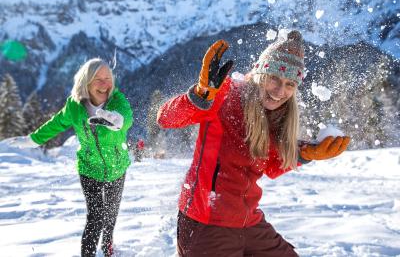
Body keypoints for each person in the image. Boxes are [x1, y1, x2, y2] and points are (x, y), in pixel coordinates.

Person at [157, 30, 350, 256]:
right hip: (207, 222)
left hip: (248, 221)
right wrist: (200, 95)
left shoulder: (278, 114)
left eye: (290, 84)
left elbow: (269, 165)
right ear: (261, 73)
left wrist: (305, 154)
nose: (280, 91)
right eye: (274, 78)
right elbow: (166, 118)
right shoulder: (225, 94)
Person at [9, 58, 133, 257]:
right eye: (98, 79)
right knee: (95, 217)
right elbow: (56, 123)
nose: (105, 84)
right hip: (89, 167)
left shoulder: (118, 101)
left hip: (117, 166)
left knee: (110, 216)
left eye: (107, 78)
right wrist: (33, 140)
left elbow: (126, 118)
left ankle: (108, 246)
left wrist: (117, 121)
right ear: (86, 82)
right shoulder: (75, 106)